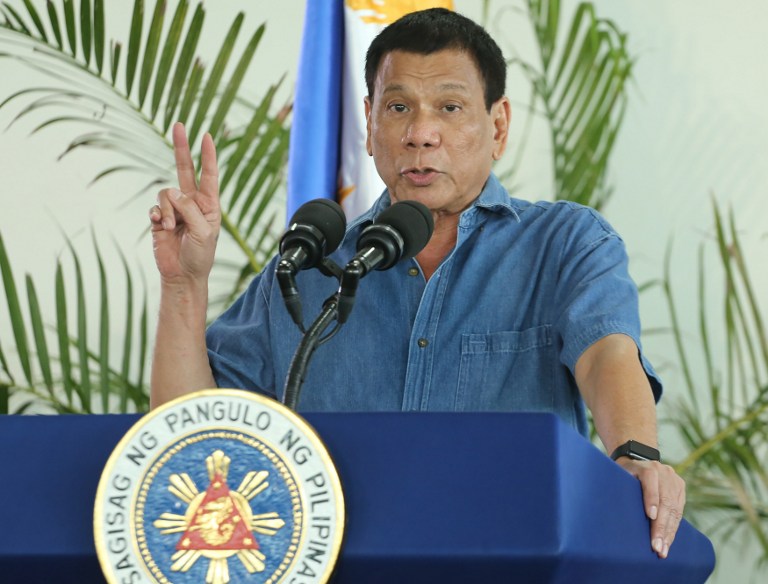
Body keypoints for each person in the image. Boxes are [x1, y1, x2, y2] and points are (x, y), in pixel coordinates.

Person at [149, 8, 685, 560]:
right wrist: (184, 284)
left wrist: (636, 456)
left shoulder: (564, 243)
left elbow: (606, 355)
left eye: (449, 108)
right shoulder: (308, 268)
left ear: (497, 126)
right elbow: (189, 438)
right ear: (369, 122)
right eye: (398, 107)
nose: (419, 134)